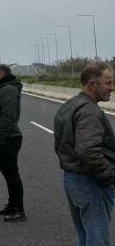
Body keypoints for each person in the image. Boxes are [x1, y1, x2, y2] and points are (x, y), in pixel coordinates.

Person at [54, 61, 115, 246]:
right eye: (108, 82)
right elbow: (88, 152)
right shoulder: (89, 111)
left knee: (85, 235)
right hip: (91, 182)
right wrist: (109, 177)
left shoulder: (70, 105)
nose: (112, 87)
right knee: (97, 238)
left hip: (73, 179)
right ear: (92, 84)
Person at [0, 63, 26, 222]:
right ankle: (12, 205)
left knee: (12, 174)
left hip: (8, 139)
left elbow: (8, 116)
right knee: (8, 174)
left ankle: (19, 210)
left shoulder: (8, 90)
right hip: (2, 138)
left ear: (0, 73)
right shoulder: (4, 88)